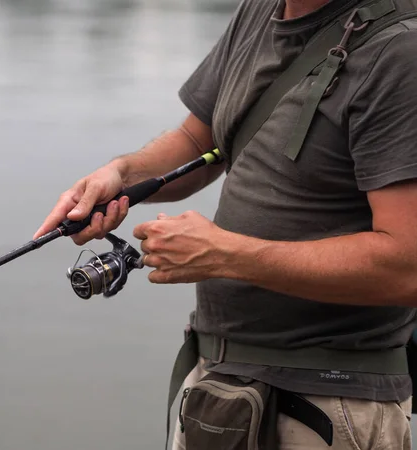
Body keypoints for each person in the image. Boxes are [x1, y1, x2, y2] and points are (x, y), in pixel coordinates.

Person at [33, 0, 417, 447]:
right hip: (219, 383)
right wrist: (121, 174)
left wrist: (225, 254)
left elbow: (406, 267)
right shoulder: (261, 8)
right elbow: (202, 136)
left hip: (329, 402)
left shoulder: (401, 53)